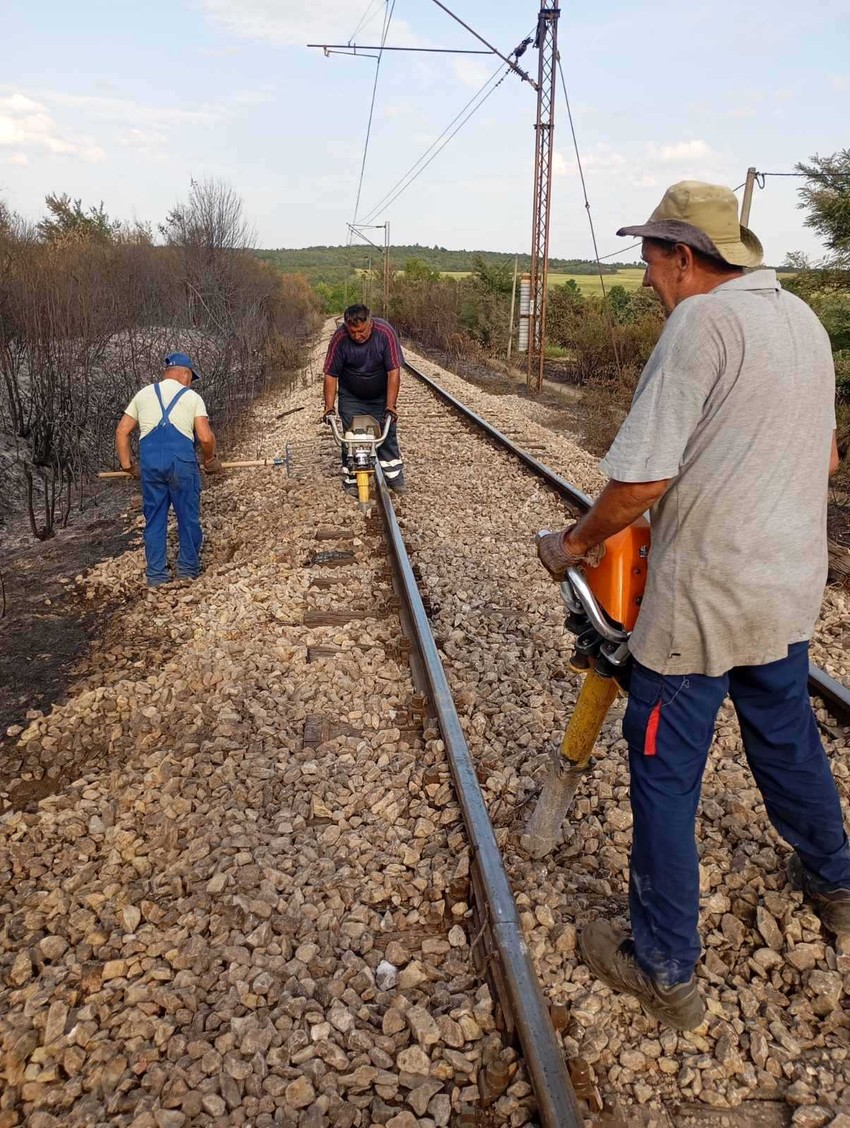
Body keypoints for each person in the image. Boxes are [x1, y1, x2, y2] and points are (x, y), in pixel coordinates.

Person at [536, 181, 850, 1031]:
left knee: (664, 772)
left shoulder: (701, 325)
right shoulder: (803, 323)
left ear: (683, 258)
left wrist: (572, 544)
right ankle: (835, 883)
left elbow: (639, 481)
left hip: (704, 599)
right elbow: (820, 461)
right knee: (785, 737)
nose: (646, 278)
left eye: (650, 260)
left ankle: (664, 967)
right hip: (783, 586)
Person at [115, 351, 221, 588]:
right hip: (181, 464)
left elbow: (122, 431)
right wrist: (210, 460)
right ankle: (188, 570)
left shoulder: (143, 394)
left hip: (151, 465)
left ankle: (156, 576)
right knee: (187, 517)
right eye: (191, 378)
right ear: (184, 374)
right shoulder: (192, 397)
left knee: (154, 521)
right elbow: (204, 437)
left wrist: (129, 466)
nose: (191, 382)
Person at [322, 304, 406, 493]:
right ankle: (352, 478)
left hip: (380, 394)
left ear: (370, 323)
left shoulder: (385, 333)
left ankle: (394, 476)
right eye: (353, 332)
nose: (357, 336)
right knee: (351, 437)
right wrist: (329, 407)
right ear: (346, 327)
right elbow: (330, 374)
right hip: (351, 395)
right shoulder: (340, 338)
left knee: (387, 433)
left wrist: (391, 406)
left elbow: (394, 371)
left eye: (361, 332)